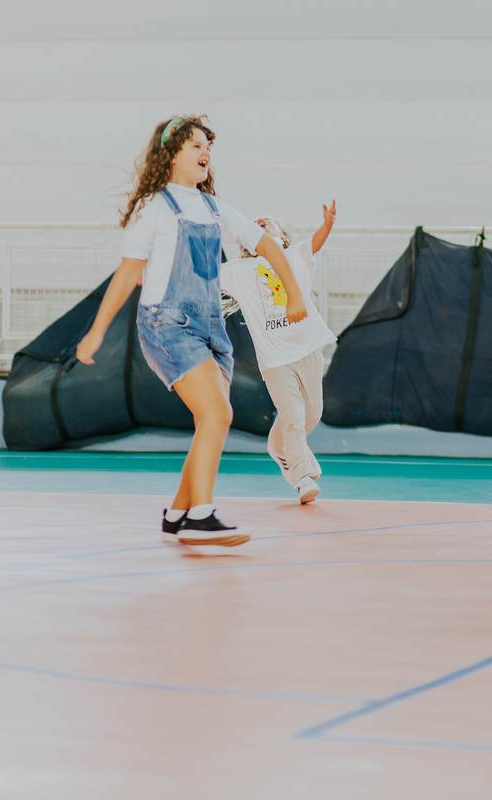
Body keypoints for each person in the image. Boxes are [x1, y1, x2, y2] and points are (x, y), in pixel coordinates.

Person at [76, 115, 307, 546]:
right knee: (218, 415)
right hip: (168, 326)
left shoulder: (217, 209)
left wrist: (293, 292)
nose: (205, 153)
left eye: (208, 147)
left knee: (211, 419)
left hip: (211, 329)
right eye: (195, 146)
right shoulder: (155, 208)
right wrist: (96, 331)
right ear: (171, 155)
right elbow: (127, 275)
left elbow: (268, 244)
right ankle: (201, 517)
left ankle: (178, 513)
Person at [219, 203, 338, 503]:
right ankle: (302, 478)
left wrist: (327, 224)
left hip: (308, 350)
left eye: (268, 222)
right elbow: (204, 274)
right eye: (255, 224)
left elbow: (316, 242)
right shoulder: (241, 272)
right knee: (294, 416)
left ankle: (278, 445)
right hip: (275, 361)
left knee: (312, 414)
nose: (261, 222)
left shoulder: (294, 256)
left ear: (282, 237)